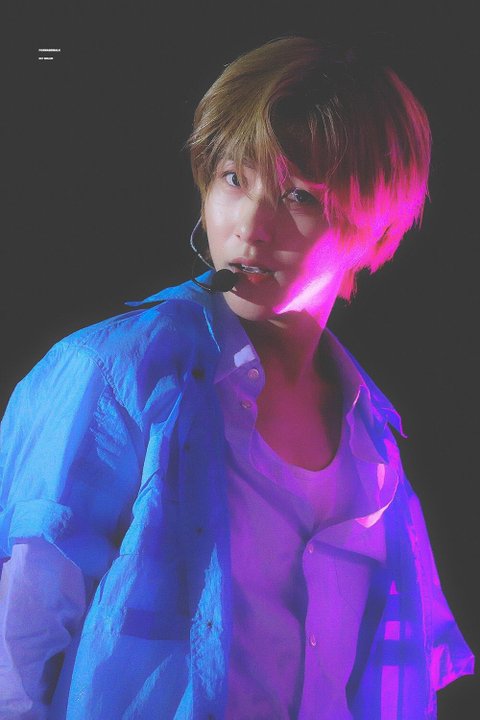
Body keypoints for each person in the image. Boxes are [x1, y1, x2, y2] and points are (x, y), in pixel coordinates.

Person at [0, 36, 474, 720]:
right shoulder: (114, 375)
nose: (250, 225)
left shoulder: (373, 441)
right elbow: (16, 652)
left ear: (373, 228)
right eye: (232, 178)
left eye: (298, 195)